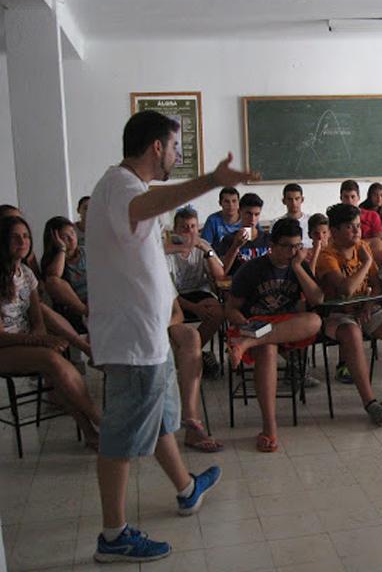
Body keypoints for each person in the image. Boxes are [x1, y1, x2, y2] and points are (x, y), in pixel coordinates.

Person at [87, 110, 255, 562]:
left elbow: (135, 240)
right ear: (156, 147)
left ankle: (185, 488)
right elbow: (146, 209)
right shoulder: (124, 186)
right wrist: (210, 180)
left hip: (150, 334)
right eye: (176, 148)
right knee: (122, 434)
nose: (177, 157)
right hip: (133, 338)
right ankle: (113, 534)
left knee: (160, 417)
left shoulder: (123, 187)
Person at [0, 215, 101, 449]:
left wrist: (40, 338)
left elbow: (37, 318)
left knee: (53, 358)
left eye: (25, 236)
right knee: (53, 361)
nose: (22, 241)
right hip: (5, 347)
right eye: (15, 237)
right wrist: (40, 341)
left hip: (26, 342)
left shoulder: (26, 273)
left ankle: (92, 434)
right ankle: (101, 423)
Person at [224, 218, 323, 452]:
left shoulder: (298, 264)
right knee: (268, 350)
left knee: (315, 320)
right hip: (256, 323)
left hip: (284, 327)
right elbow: (230, 309)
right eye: (287, 246)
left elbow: (317, 300)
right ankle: (270, 427)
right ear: (272, 245)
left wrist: (298, 267)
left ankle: (247, 342)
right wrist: (246, 324)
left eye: (297, 246)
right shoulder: (252, 269)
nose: (293, 251)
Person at [316, 203, 382, 425]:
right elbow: (345, 289)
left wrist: (367, 306)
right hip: (337, 314)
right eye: (349, 227)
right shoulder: (328, 256)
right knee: (352, 333)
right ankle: (370, 404)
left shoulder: (362, 246)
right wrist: (367, 263)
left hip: (365, 309)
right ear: (335, 231)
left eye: (358, 226)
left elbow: (376, 286)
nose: (357, 231)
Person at [0, 206, 92, 357]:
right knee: (49, 293)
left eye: (25, 235)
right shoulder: (52, 257)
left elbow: (36, 284)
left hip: (31, 310)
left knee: (40, 307)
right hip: (13, 331)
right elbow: (49, 280)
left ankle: (89, 348)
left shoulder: (25, 268)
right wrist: (62, 250)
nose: (22, 240)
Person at [166, 207, 226, 368]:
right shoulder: (168, 250)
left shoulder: (203, 245)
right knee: (170, 316)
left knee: (218, 312)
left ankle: (189, 353)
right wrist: (194, 308)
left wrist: (207, 251)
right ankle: (187, 353)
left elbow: (220, 276)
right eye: (184, 227)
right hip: (173, 296)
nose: (189, 231)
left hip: (198, 292)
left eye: (193, 227)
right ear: (175, 230)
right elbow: (168, 291)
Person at [168, 300, 223, 453]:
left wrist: (162, 325)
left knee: (192, 336)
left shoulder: (160, 276)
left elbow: (177, 313)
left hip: (161, 327)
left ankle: (192, 423)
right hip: (128, 331)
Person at [41, 216, 89, 334]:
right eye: (65, 237)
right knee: (53, 281)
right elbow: (54, 277)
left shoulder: (86, 251)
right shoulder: (52, 261)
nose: (72, 239)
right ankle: (88, 313)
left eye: (73, 233)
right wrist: (62, 249)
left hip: (96, 297)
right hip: (78, 306)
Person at [216, 192, 270, 275]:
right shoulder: (228, 239)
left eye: (256, 214)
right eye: (248, 214)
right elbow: (222, 271)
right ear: (240, 212)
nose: (252, 218)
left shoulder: (268, 239)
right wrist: (235, 246)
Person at [200, 187, 241, 251]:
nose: (231, 205)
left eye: (234, 201)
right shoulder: (212, 220)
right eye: (227, 201)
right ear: (220, 203)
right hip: (218, 259)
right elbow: (204, 247)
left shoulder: (248, 218)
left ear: (239, 202)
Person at [280, 183, 312, 248]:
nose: (294, 203)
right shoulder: (278, 223)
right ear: (284, 201)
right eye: (289, 199)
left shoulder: (311, 221)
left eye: (297, 199)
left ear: (302, 199)